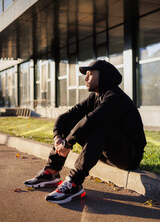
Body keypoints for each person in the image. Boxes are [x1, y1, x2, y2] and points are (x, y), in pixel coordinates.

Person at [24, 60, 146, 204]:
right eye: (86, 74)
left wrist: (68, 142)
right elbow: (65, 117)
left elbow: (91, 120)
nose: (86, 78)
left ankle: (74, 183)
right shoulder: (95, 97)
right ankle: (51, 172)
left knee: (97, 126)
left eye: (90, 74)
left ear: (104, 76)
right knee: (72, 123)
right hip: (107, 151)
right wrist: (58, 137)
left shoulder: (115, 98)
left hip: (128, 156)